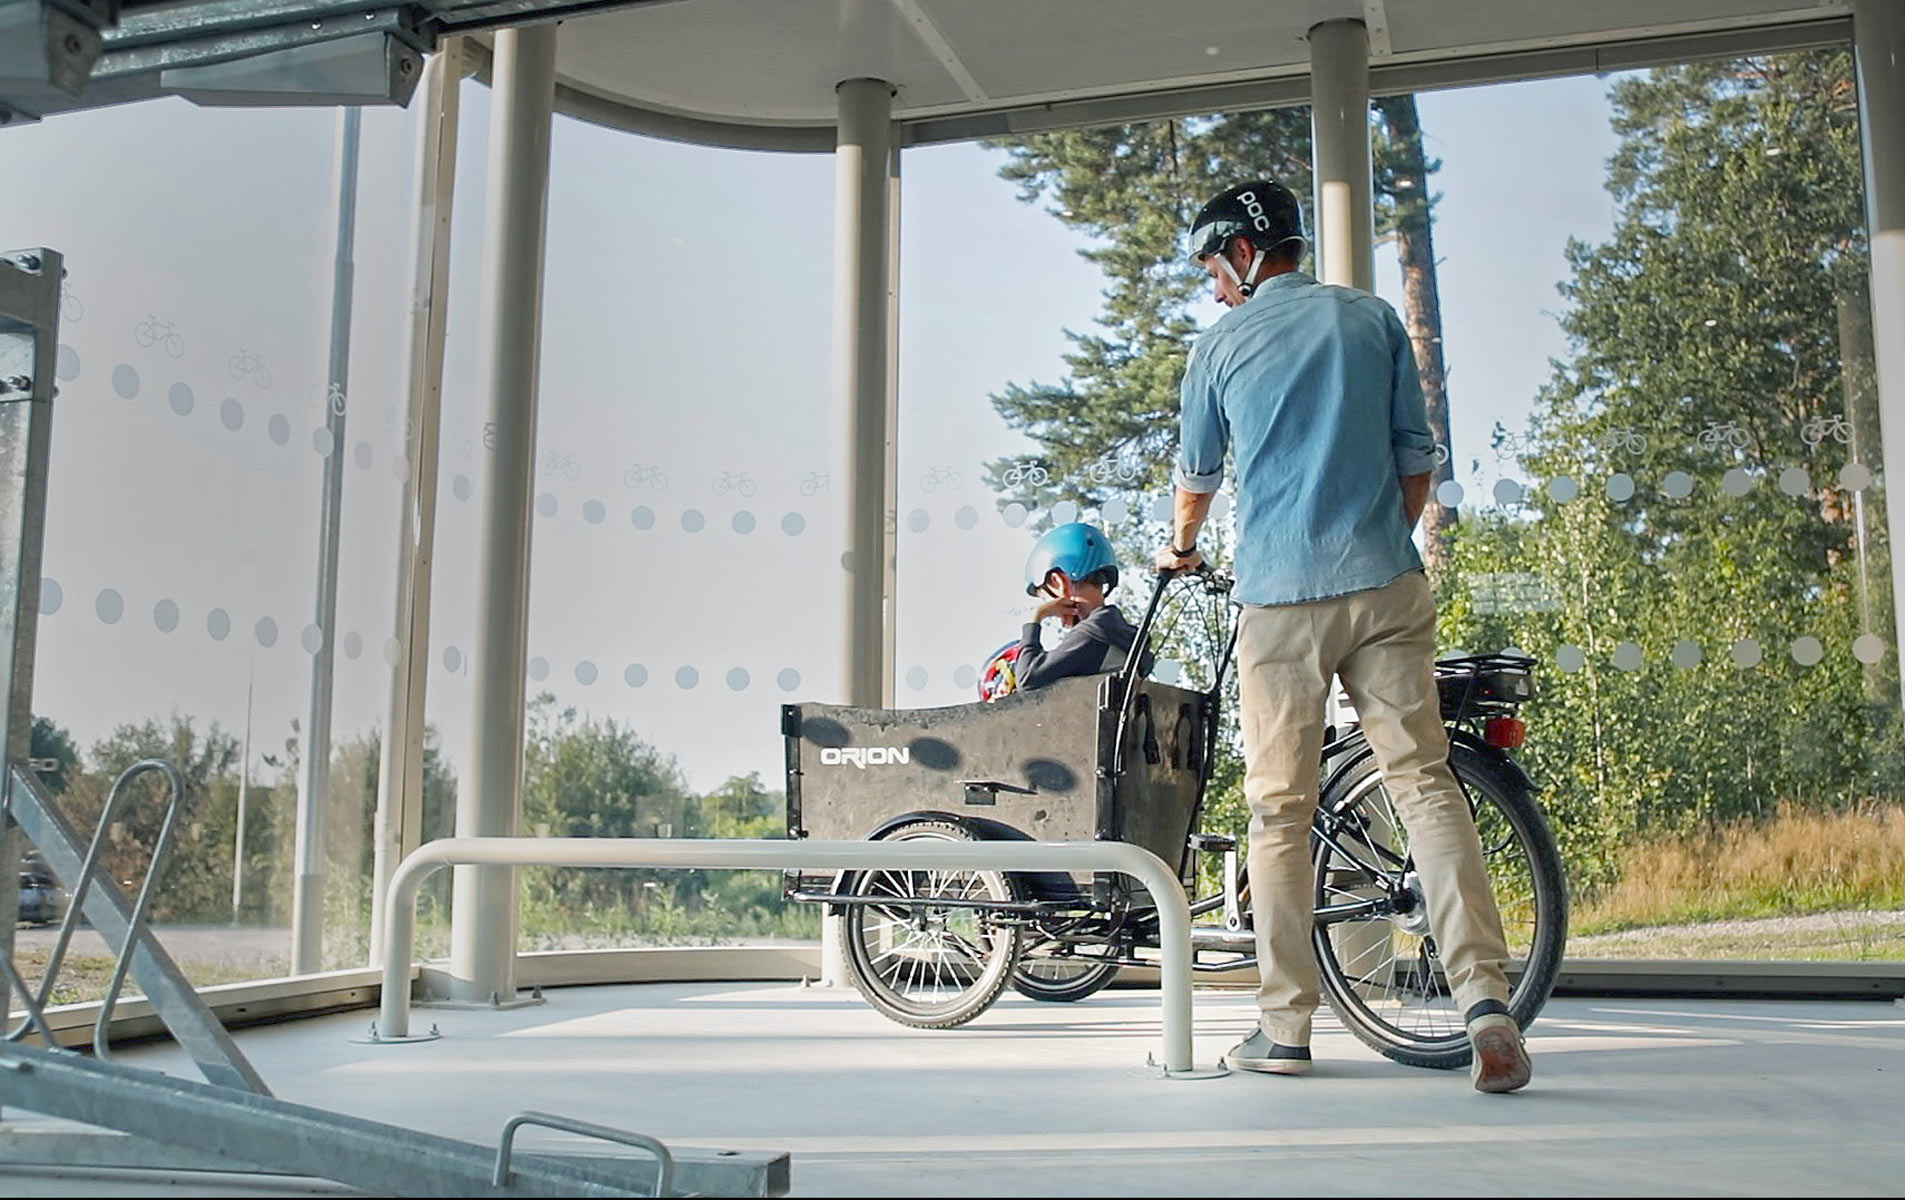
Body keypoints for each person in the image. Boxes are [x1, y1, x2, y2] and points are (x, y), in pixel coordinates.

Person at [1155, 179, 1531, 1093]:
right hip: (1386, 583)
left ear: (1244, 253)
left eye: (1213, 264)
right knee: (1422, 783)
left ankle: (1284, 1028)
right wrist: (1383, 546)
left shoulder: (1219, 347)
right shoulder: (1370, 320)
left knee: (1278, 812)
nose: (1211, 286)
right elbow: (1416, 459)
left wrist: (1180, 548)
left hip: (1281, 599)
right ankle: (1484, 1000)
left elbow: (1197, 475)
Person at [984, 522, 1151, 698]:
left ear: (1058, 582)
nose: (1053, 613)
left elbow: (1027, 679)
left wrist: (1035, 618)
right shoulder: (1121, 634)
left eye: (1045, 599)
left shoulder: (1091, 634)